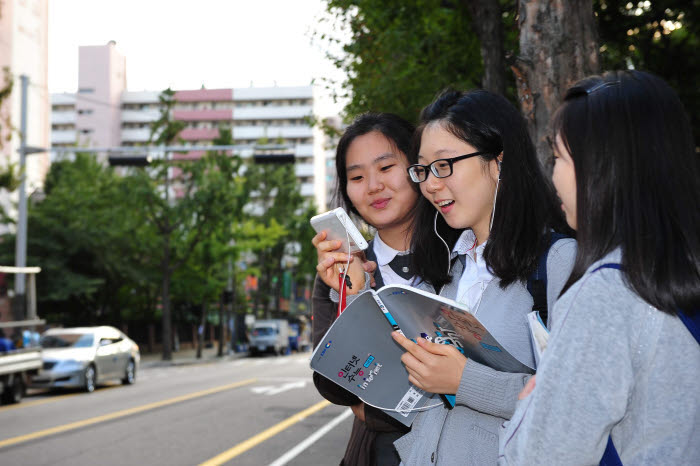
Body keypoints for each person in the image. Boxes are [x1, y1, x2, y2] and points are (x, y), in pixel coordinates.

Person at [499, 70, 700, 464]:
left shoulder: (609, 291)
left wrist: (532, 403)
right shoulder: (679, 270)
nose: (553, 174)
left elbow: (545, 457)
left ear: (602, 167)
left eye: (558, 157)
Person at [389, 88, 576, 465]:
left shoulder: (558, 262)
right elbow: (413, 403)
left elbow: (576, 401)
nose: (430, 184)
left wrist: (464, 381)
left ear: (498, 161)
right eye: (423, 170)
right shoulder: (443, 272)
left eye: (444, 165)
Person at [311, 112, 420, 466]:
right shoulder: (339, 271)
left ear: (418, 167)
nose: (373, 186)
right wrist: (353, 295)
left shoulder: (465, 253)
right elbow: (337, 384)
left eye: (386, 168)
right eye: (357, 176)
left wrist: (372, 408)